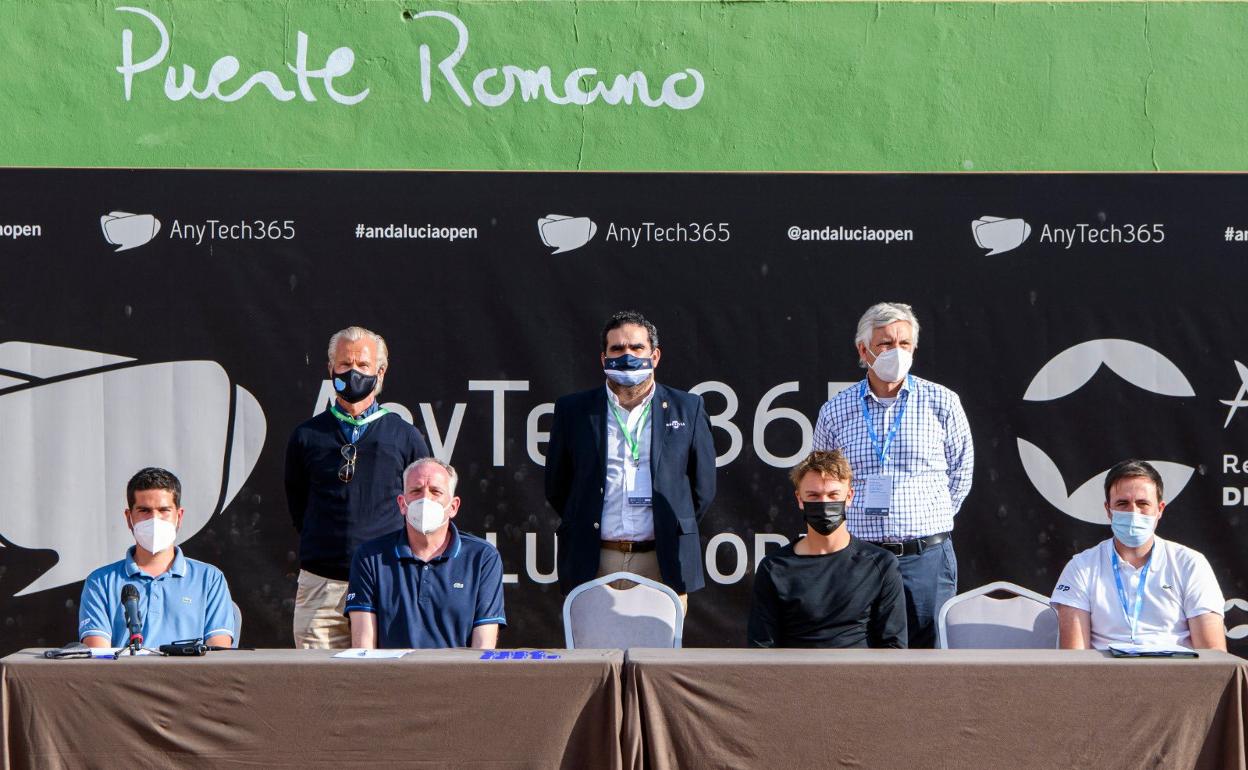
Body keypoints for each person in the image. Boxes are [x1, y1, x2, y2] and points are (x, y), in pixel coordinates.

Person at [812, 302, 973, 648]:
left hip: (926, 557)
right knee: (861, 661)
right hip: (860, 559)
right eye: (886, 344)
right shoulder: (835, 410)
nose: (896, 352)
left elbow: (961, 474)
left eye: (904, 344)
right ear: (863, 349)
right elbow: (824, 482)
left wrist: (924, 519)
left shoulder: (941, 401)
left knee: (928, 663)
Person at [545, 310, 716, 608]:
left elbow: (702, 489)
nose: (627, 355)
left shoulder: (688, 408)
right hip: (595, 560)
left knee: (659, 654)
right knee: (592, 653)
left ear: (655, 355)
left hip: (662, 561)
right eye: (617, 349)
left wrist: (666, 526)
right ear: (603, 359)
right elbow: (558, 486)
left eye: (637, 348)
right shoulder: (573, 410)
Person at [285, 326, 430, 648]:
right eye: (345, 364)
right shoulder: (307, 436)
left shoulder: (405, 436)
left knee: (384, 686)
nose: (354, 373)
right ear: (330, 368)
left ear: (380, 371)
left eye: (363, 366)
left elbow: (420, 506)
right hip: (321, 583)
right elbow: (298, 503)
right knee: (316, 687)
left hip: (386, 581)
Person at [1051, 459, 1226, 651]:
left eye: (1143, 503)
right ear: (1108, 510)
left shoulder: (1191, 564)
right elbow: (1075, 660)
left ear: (1160, 510)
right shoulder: (1080, 567)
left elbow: (1213, 657)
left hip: (1176, 677)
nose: (1133, 512)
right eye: (1122, 503)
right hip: (1105, 678)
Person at [748, 451, 907, 648]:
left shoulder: (881, 564)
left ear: (849, 496)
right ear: (799, 499)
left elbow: (893, 647)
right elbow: (761, 647)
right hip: (795, 676)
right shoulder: (774, 567)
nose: (824, 503)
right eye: (813, 496)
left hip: (859, 676)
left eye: (833, 495)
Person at [345, 458, 505, 649]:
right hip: (391, 677)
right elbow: (363, 650)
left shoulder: (482, 558)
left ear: (453, 506)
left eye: (435, 492)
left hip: (458, 678)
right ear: (402, 503)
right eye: (416, 491)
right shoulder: (370, 557)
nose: (425, 499)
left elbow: (483, 650)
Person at [79, 467, 235, 648]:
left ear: (179, 516)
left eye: (164, 510)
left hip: (190, 677)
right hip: (123, 677)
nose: (154, 519)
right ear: (129, 518)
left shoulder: (210, 579)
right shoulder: (100, 582)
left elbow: (219, 655)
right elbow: (98, 657)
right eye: (144, 510)